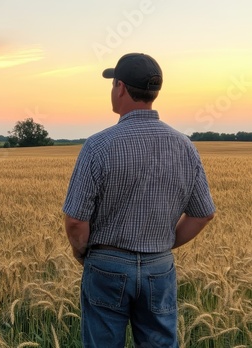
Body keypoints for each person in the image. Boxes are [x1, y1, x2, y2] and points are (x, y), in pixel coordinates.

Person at [62, 53, 216, 347]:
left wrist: (85, 254)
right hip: (159, 266)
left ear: (120, 87)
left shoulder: (98, 145)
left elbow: (75, 221)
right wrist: (158, 247)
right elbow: (203, 214)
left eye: (112, 85)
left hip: (106, 264)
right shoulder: (185, 146)